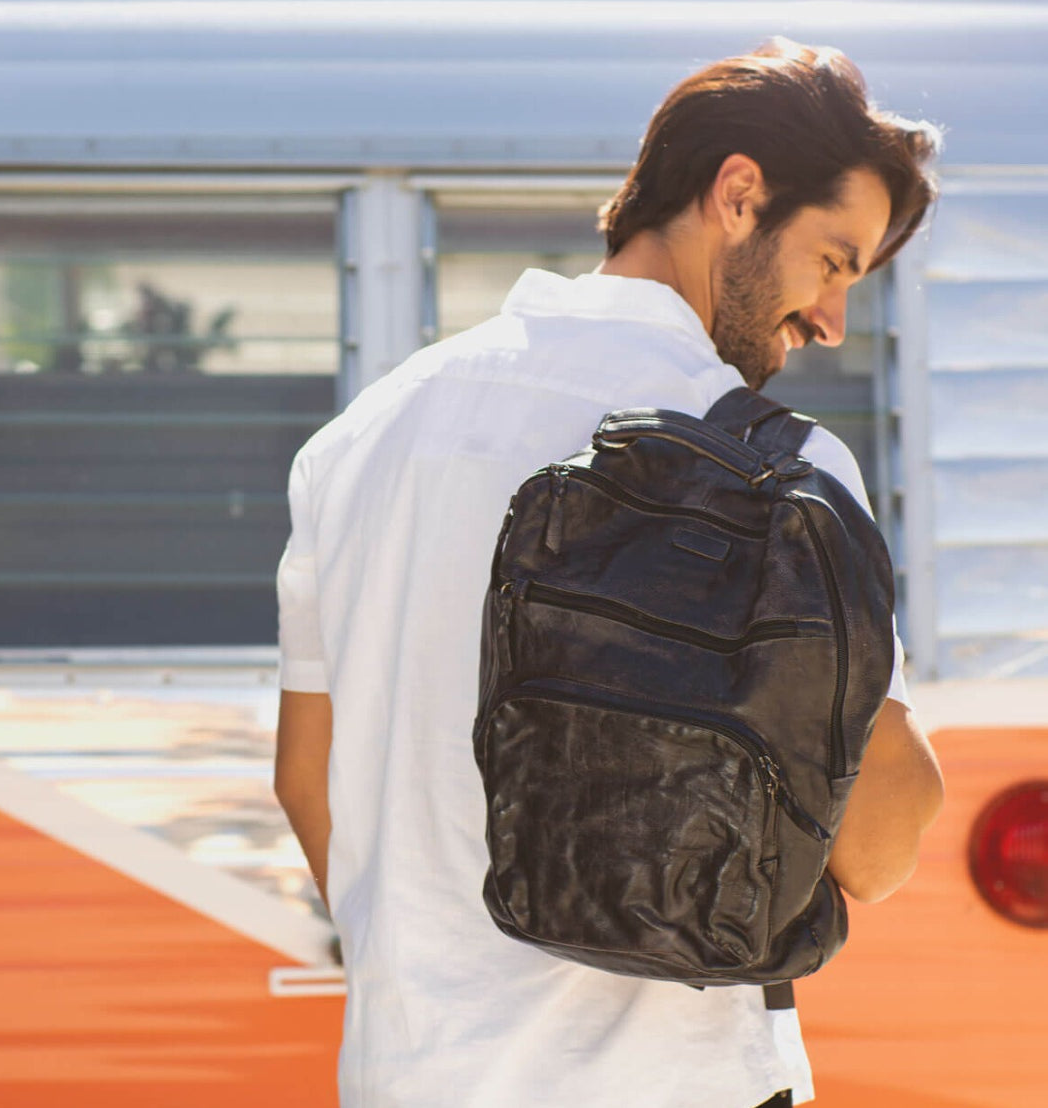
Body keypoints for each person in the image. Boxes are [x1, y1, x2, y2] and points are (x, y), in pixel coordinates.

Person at [274, 37, 945, 1108]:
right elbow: (876, 847)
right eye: (833, 260)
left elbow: (309, 779)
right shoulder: (779, 467)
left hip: (408, 1076)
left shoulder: (356, 441)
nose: (831, 319)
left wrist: (434, 970)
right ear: (737, 194)